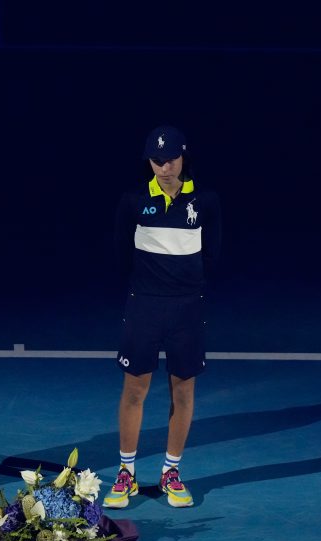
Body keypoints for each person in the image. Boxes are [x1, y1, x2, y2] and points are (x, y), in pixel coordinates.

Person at [103, 125, 222, 510]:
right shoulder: (133, 200)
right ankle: (126, 474)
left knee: (183, 391)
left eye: (170, 159)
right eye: (156, 160)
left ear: (184, 157)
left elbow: (212, 255)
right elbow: (121, 255)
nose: (163, 167)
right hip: (144, 306)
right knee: (134, 389)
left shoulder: (206, 201)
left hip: (187, 307)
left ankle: (171, 472)